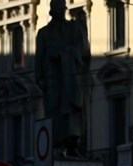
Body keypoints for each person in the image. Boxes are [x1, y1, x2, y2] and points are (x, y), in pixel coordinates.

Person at [34, 0, 90, 157]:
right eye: (57, 9)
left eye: (62, 8)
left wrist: (64, 54)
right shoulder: (44, 33)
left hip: (71, 79)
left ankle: (73, 144)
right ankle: (57, 145)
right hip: (52, 82)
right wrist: (39, 78)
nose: (60, 11)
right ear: (52, 11)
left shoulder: (74, 28)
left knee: (71, 113)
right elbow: (39, 58)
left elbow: (83, 51)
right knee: (54, 114)